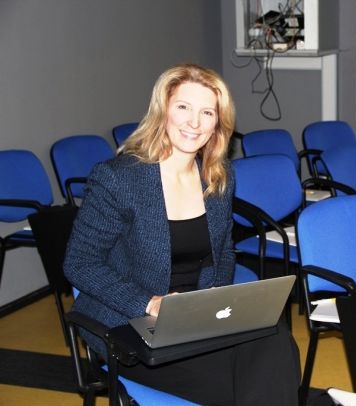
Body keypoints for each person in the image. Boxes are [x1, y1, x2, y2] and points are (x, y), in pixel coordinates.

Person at [64, 63, 300, 405]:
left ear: (218, 123)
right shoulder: (119, 178)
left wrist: (214, 302)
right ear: (163, 110)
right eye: (184, 107)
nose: (194, 123)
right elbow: (79, 263)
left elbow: (224, 251)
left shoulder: (217, 176)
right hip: (130, 324)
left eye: (207, 112)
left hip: (195, 319)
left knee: (275, 338)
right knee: (252, 379)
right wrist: (149, 303)